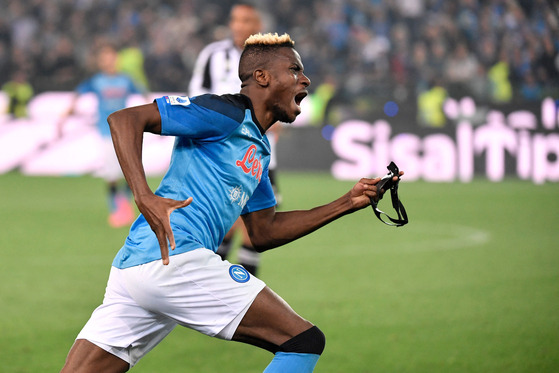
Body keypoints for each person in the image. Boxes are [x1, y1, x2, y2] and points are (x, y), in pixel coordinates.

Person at [61, 33, 402, 373]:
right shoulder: (223, 112)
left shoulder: (258, 150)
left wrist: (346, 202)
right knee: (303, 342)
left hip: (137, 268)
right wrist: (143, 195)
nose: (306, 79)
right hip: (175, 260)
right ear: (263, 77)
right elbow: (124, 119)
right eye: (295, 70)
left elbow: (265, 231)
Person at [189, 2, 272, 275]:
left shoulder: (275, 59)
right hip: (220, 159)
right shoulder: (213, 55)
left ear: (258, 24)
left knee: (255, 232)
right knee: (225, 229)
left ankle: (240, 302)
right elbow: (196, 102)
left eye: (246, 20)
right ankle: (209, 292)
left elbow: (293, 101)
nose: (238, 26)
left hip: (258, 159)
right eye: (235, 19)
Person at [58, 43, 147, 228]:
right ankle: (116, 210)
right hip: (106, 132)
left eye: (111, 57)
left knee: (129, 172)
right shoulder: (96, 81)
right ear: (100, 61)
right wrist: (68, 112)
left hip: (127, 132)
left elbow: (143, 94)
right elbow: (78, 93)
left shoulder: (126, 80)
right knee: (112, 175)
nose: (108, 61)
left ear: (116, 58)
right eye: (104, 58)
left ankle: (124, 208)